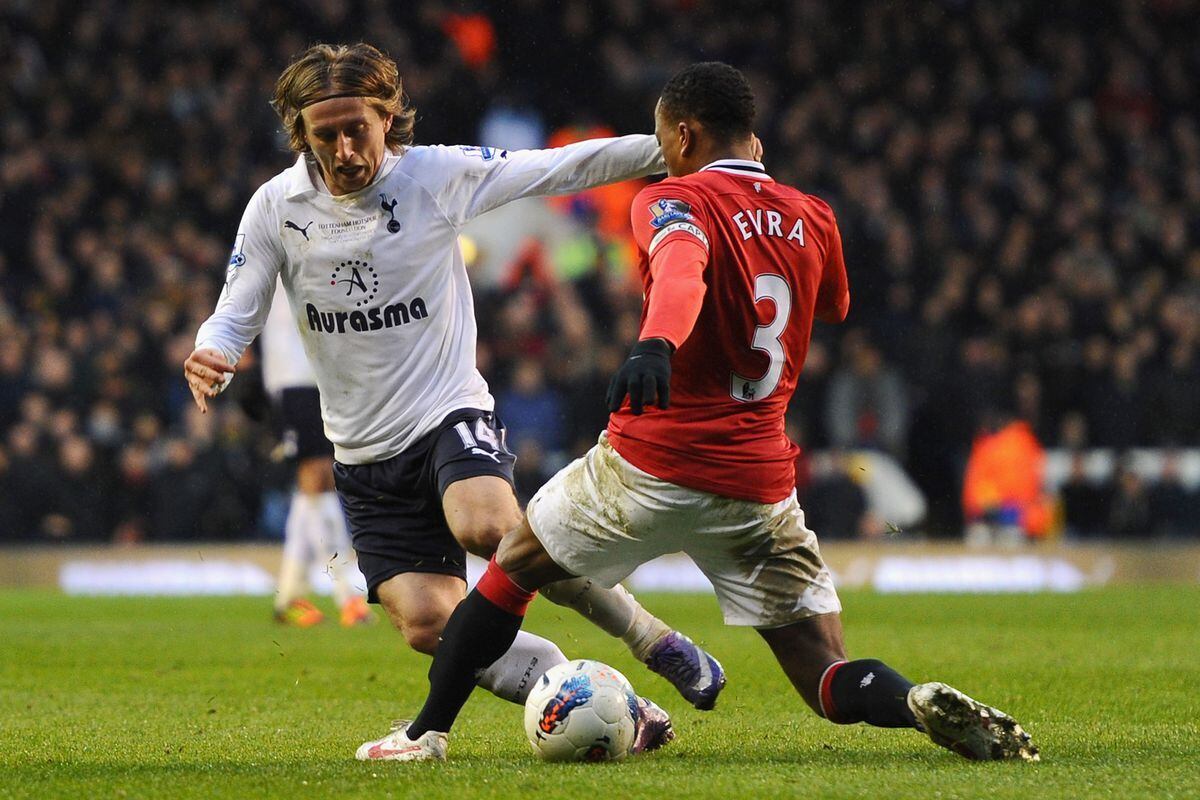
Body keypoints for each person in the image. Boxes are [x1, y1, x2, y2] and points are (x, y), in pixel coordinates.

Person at [387, 62, 1040, 763]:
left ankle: (424, 734)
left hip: (649, 465)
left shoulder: (673, 199)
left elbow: (680, 270)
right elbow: (836, 305)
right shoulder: (812, 213)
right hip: (757, 484)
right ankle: (911, 703)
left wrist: (656, 344)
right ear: (753, 140)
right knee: (824, 672)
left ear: (685, 133)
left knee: (510, 571)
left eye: (665, 138)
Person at [183, 43, 723, 759]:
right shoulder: (277, 208)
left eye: (359, 130)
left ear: (387, 119)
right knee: (429, 626)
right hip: (363, 450)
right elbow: (236, 306)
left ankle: (651, 637)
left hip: (446, 411)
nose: (346, 150)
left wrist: (678, 153)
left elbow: (561, 167)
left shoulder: (433, 174)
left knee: (491, 530)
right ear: (301, 134)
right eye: (326, 135)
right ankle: (602, 700)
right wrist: (214, 349)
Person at [261, 277, 371, 627]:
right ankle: (348, 594)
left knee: (312, 489)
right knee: (319, 478)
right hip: (295, 376)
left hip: (322, 375)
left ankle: (290, 597)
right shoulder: (286, 231)